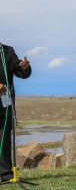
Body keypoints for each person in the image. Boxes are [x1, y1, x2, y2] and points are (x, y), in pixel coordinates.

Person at [0, 42, 31, 182]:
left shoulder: (7, 50)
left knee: (4, 137)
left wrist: (24, 66)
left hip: (4, 101)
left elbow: (20, 72)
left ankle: (5, 174)